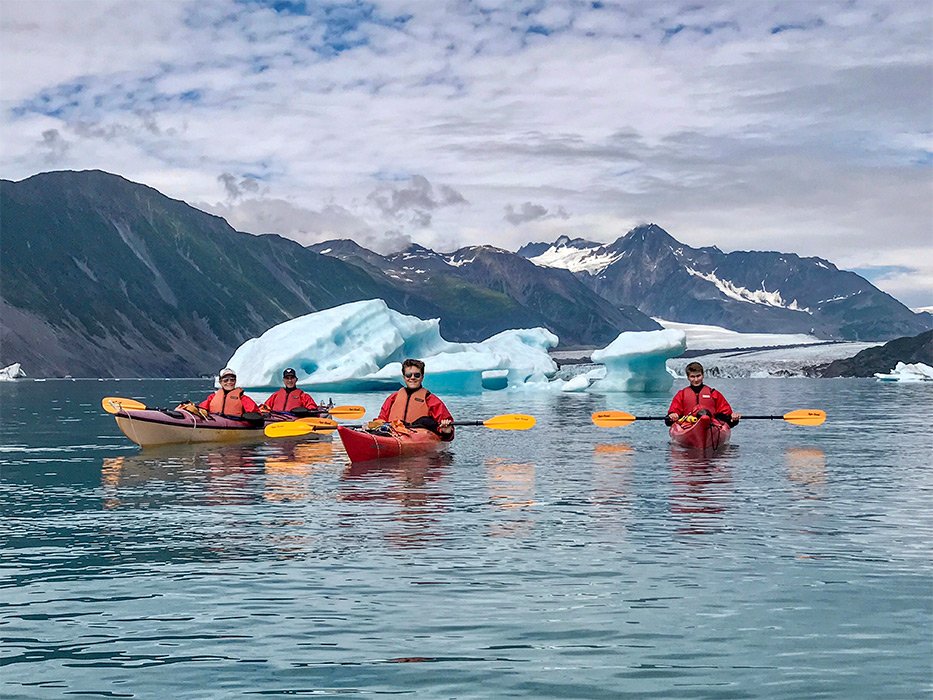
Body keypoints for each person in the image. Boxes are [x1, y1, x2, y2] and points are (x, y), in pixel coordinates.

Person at [371, 358, 454, 440]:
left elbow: (448, 429)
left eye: (417, 375)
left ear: (422, 377)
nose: (412, 378)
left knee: (425, 421)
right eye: (408, 375)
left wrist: (446, 431)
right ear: (404, 377)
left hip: (419, 437)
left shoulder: (432, 400)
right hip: (393, 433)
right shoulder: (393, 398)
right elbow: (382, 419)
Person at [666, 361, 741, 427]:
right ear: (688, 377)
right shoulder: (681, 394)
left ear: (703, 375)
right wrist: (673, 415)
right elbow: (671, 416)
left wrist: (733, 417)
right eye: (692, 376)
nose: (696, 379)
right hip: (687, 425)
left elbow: (727, 416)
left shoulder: (713, 393)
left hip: (711, 425)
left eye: (698, 376)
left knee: (706, 417)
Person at [195, 367, 260, 417]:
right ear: (220, 382)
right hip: (216, 422)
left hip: (236, 424)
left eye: (232, 380)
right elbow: (202, 408)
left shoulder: (242, 398)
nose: (229, 382)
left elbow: (256, 413)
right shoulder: (212, 397)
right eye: (226, 380)